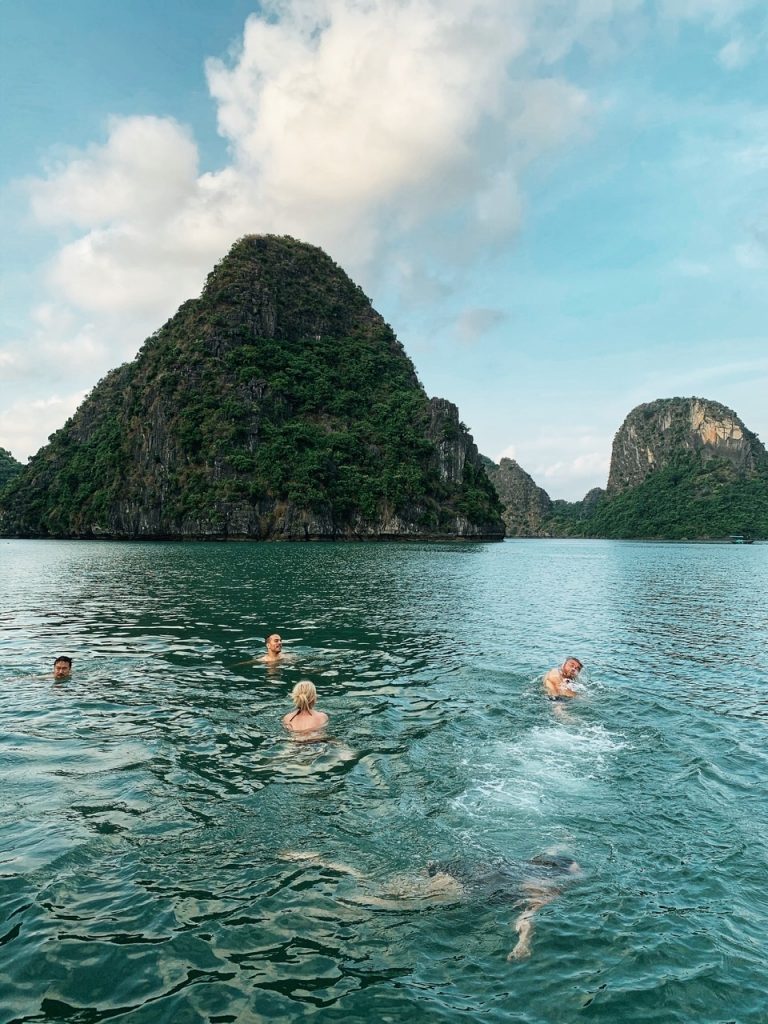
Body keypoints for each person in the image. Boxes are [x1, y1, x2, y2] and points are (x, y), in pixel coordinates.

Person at [280, 849, 580, 960]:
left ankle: (327, 862)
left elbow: (553, 849)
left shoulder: (526, 863)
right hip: (466, 886)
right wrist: (523, 944)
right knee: (373, 901)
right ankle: (325, 905)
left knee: (377, 886)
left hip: (458, 866)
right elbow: (527, 917)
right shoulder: (545, 888)